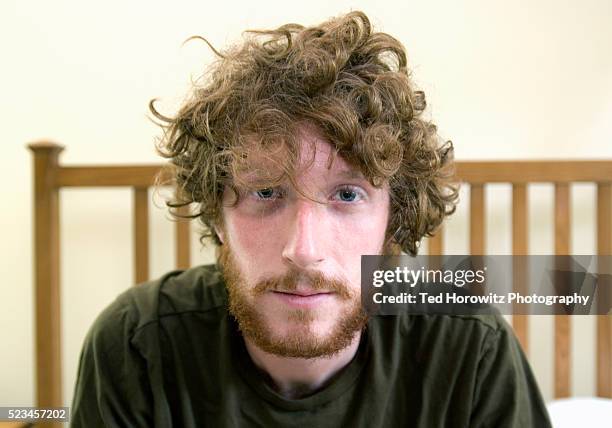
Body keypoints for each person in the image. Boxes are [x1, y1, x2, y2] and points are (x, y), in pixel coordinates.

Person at [71, 11, 552, 427]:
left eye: (347, 194)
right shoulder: (137, 346)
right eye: (264, 192)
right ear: (217, 213)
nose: (303, 249)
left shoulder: (469, 347)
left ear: (392, 218)